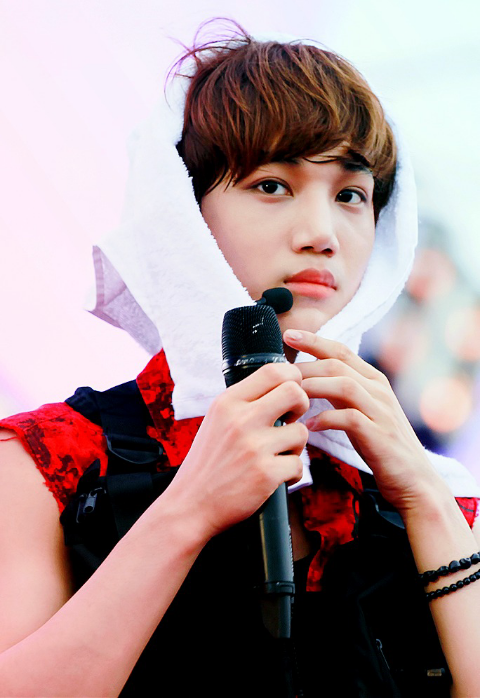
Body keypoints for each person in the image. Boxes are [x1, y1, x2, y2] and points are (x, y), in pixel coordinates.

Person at [0, 19, 480, 697]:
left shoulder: (422, 488)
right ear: (184, 214)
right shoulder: (52, 461)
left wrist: (427, 499)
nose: (322, 234)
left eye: (351, 195)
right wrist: (189, 509)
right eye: (272, 185)